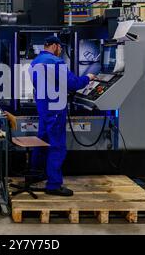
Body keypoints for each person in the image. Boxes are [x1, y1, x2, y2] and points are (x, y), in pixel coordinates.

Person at [29, 35, 95, 196]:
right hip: (56, 110)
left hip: (43, 109)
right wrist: (88, 78)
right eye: (60, 48)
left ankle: (35, 175)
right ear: (54, 46)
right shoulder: (56, 62)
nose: (61, 51)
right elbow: (74, 84)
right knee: (57, 147)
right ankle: (53, 185)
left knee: (41, 142)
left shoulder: (34, 63)